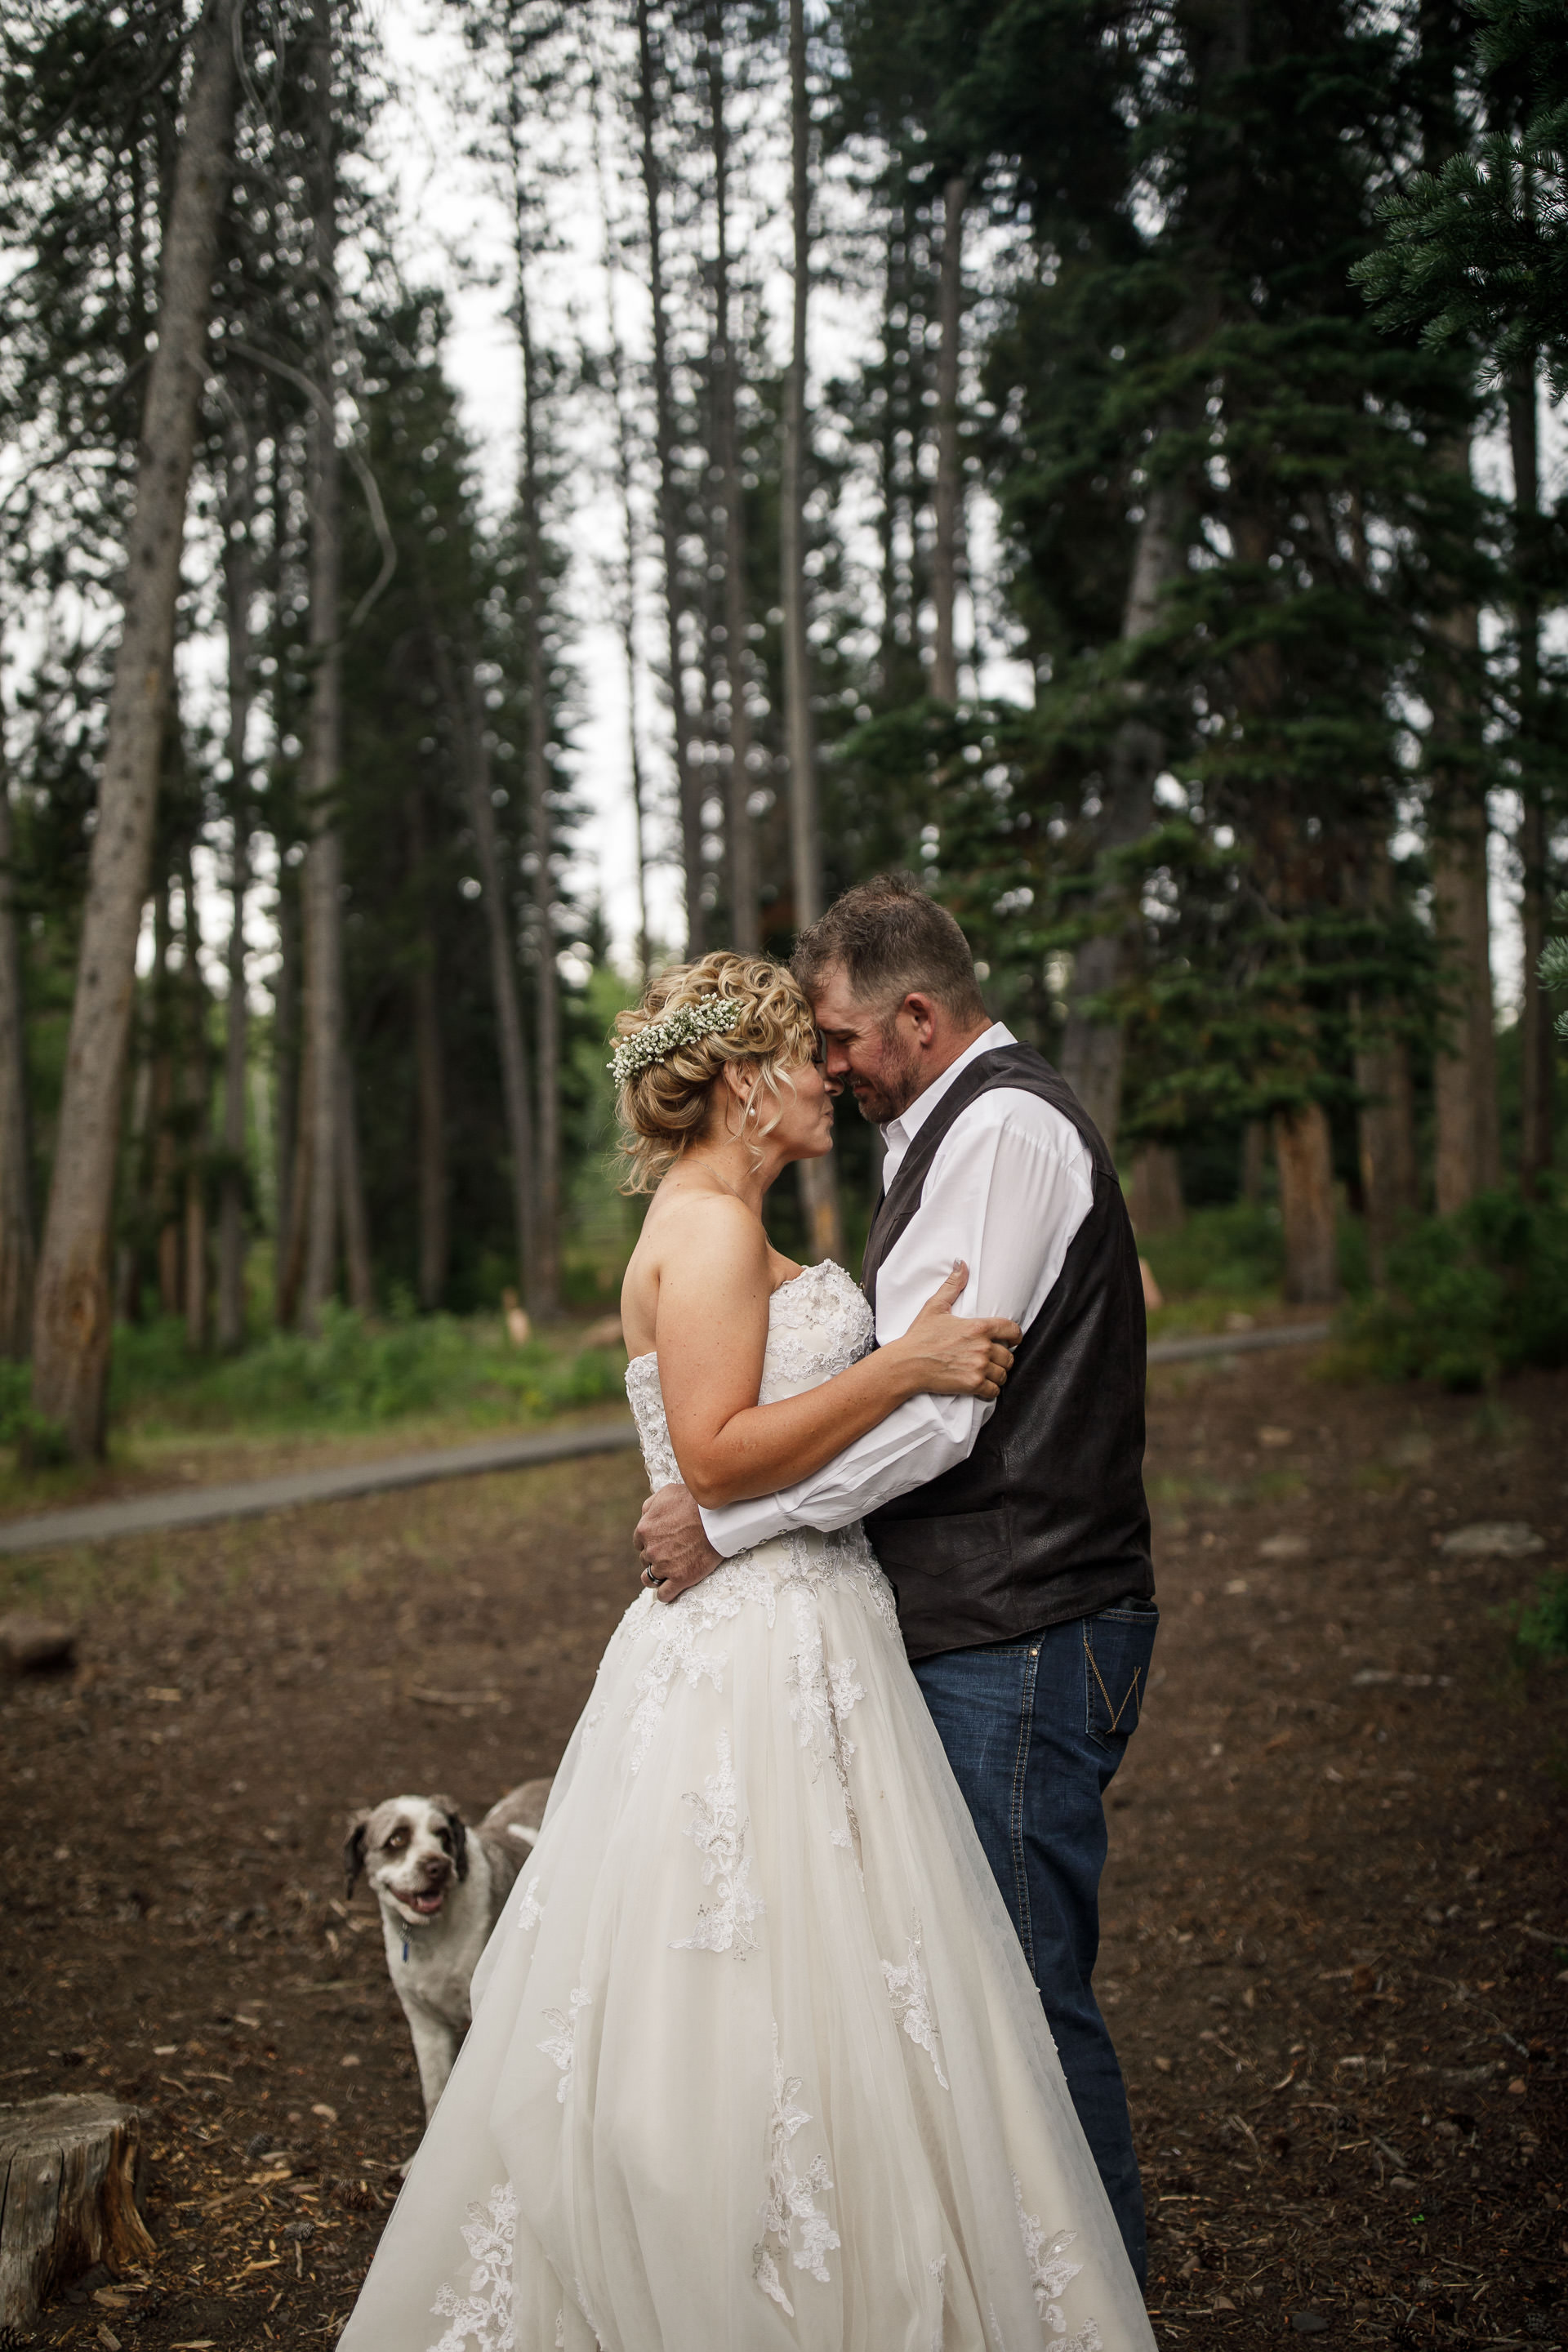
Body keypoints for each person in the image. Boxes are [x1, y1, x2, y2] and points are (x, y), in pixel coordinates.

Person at [340, 950, 1156, 2352]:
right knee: (749, 1970)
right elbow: (713, 1461)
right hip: (752, 1639)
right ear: (740, 1080)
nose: (829, 1079)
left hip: (811, 1625)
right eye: (804, 1057)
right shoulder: (710, 1228)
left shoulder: (719, 1211)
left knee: (842, 1965)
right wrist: (897, 1366)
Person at [636, 878, 1157, 2285]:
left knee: (1021, 1991)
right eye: (808, 1047)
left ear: (918, 1017)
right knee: (946, 1980)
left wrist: (728, 1528)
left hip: (1027, 1621)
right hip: (957, 1622)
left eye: (846, 1038)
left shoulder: (996, 1132)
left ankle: (1095, 2297)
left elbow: (937, 1414)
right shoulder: (928, 1136)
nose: (831, 1063)